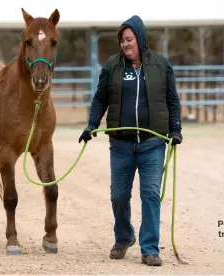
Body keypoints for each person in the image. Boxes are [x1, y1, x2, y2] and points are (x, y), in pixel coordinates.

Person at [78, 15, 183, 266]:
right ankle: (124, 238)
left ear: (140, 38)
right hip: (121, 145)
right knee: (119, 195)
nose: (125, 44)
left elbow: (172, 100)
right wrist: (92, 125)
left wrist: (175, 129)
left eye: (129, 39)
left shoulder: (160, 65)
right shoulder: (112, 66)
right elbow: (100, 98)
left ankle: (150, 249)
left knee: (150, 195)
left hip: (152, 144)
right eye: (122, 40)